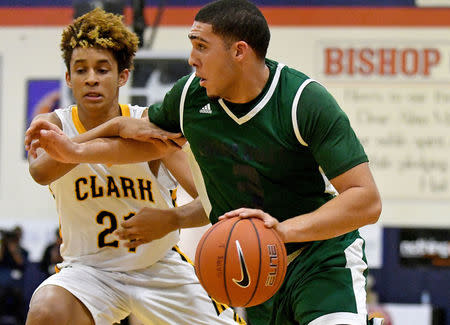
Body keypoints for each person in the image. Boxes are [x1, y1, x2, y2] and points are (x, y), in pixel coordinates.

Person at [25, 1, 384, 324]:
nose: (191, 58)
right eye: (192, 45)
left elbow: (366, 200)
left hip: (313, 256)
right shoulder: (189, 97)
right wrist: (75, 150)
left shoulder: (303, 101)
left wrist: (274, 234)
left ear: (239, 52)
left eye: (201, 46)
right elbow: (129, 140)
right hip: (247, 267)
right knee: (47, 310)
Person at [24, 8, 244, 325]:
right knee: (46, 309)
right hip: (89, 272)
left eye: (102, 69)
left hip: (158, 266)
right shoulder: (52, 124)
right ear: (69, 78)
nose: (91, 79)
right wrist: (113, 127)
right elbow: (41, 171)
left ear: (123, 75)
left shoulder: (149, 126)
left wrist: (170, 219)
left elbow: (213, 199)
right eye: (81, 70)